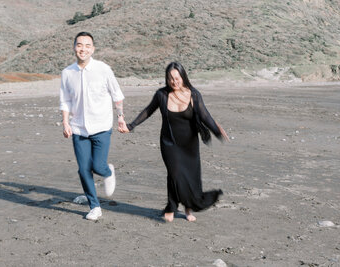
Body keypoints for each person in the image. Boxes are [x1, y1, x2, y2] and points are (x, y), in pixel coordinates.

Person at [118, 62, 229, 222]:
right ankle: (171, 206)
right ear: (167, 79)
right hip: (169, 143)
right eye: (170, 78)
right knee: (175, 174)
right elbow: (148, 111)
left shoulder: (194, 94)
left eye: (177, 78)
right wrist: (130, 126)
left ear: (183, 77)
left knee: (191, 177)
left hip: (189, 144)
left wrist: (217, 131)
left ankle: (188, 208)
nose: (174, 81)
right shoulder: (161, 95)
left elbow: (205, 116)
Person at [60, 32, 126, 221]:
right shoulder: (67, 73)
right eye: (80, 45)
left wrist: (120, 117)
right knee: (83, 169)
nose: (83, 49)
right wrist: (65, 122)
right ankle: (94, 206)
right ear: (74, 47)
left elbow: (117, 95)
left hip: (102, 127)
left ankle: (108, 171)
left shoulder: (103, 69)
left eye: (87, 45)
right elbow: (65, 101)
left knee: (98, 165)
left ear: (93, 49)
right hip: (78, 129)